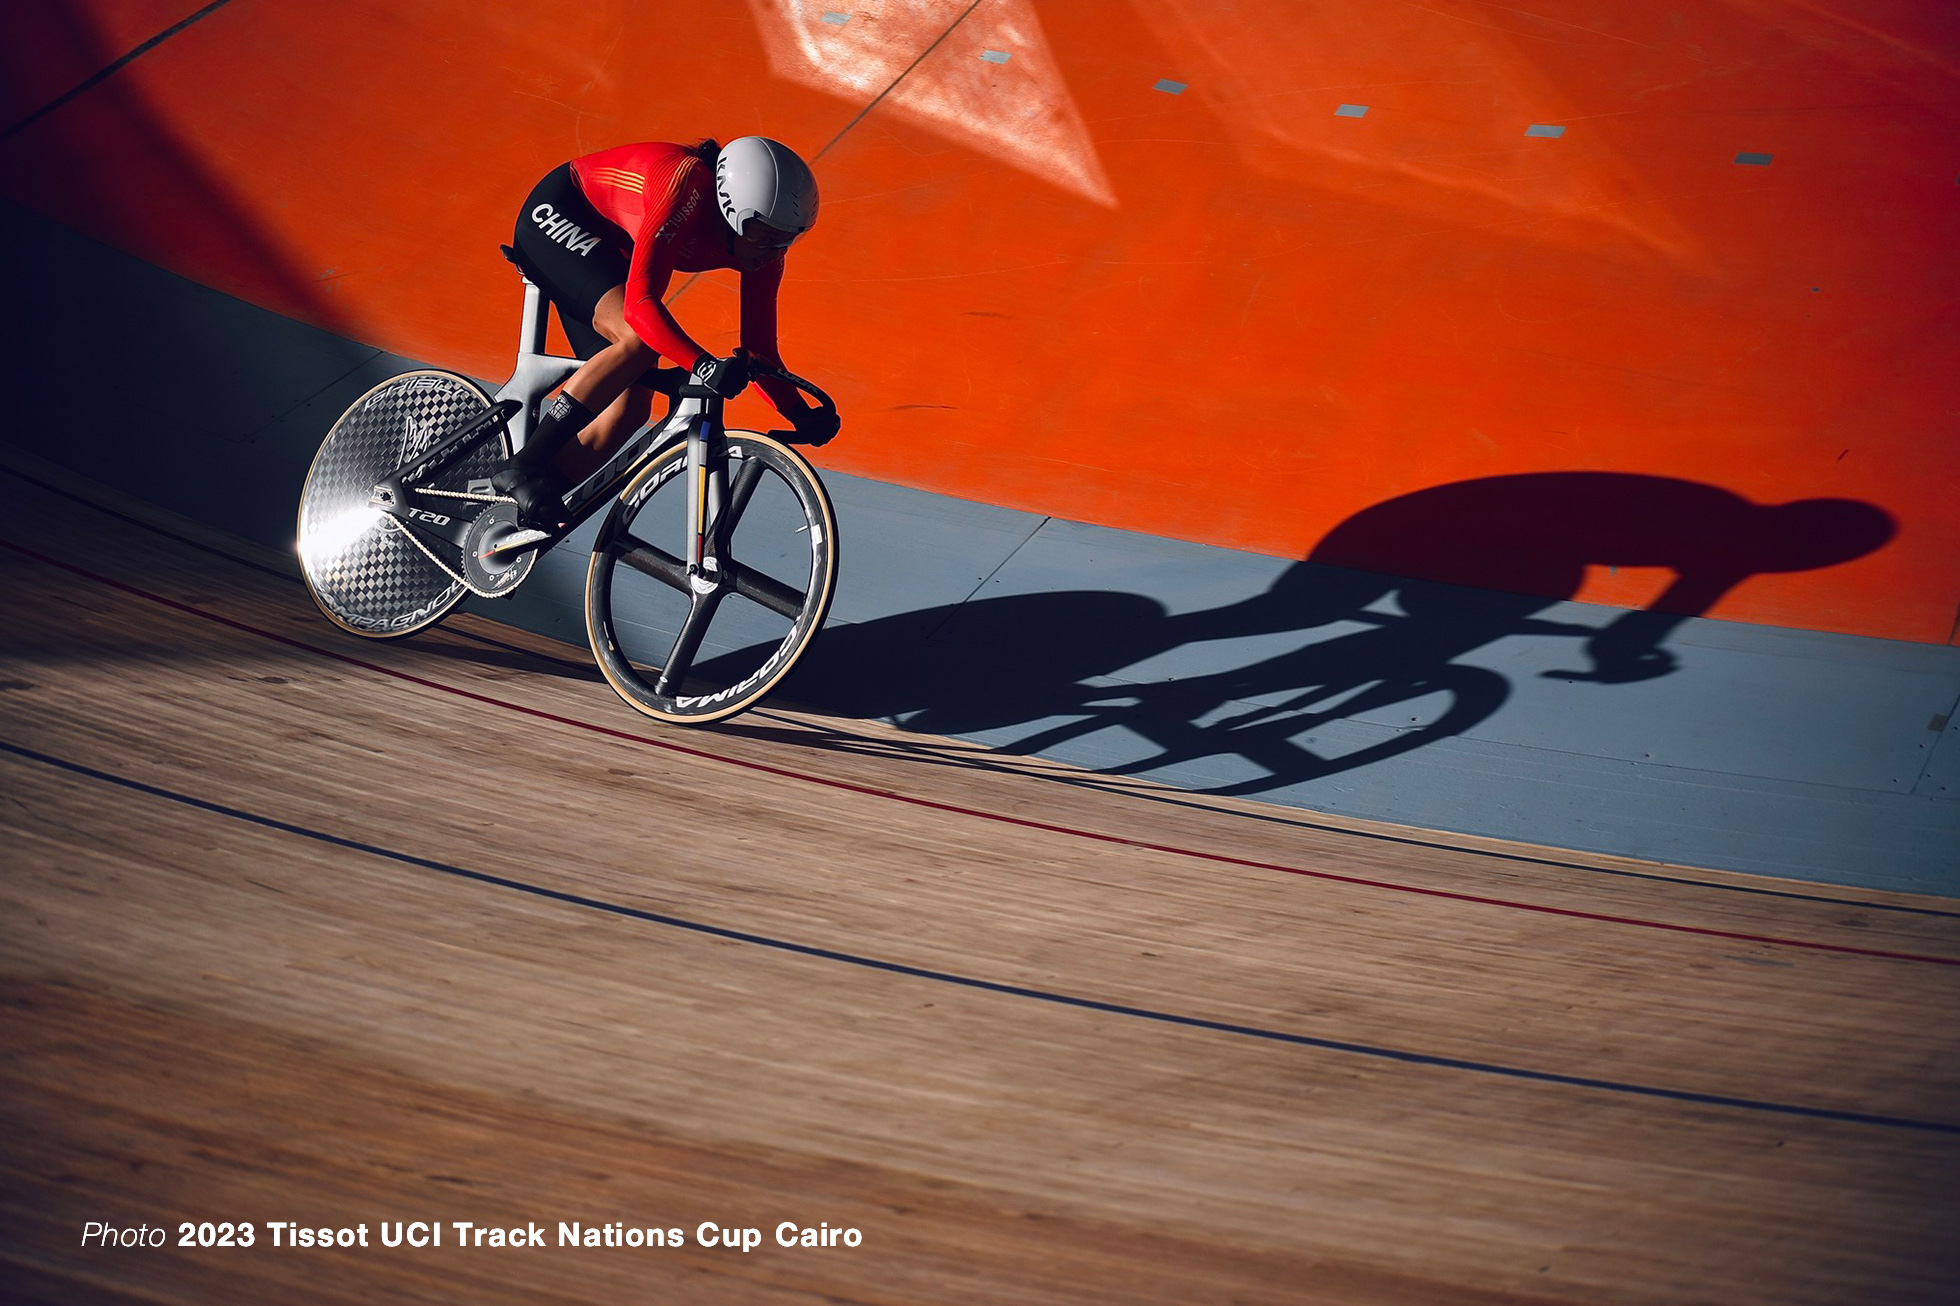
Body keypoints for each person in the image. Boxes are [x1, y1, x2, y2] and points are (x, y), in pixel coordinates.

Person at [493, 136, 838, 528]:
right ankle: (523, 466)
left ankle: (521, 513)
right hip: (561, 215)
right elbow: (641, 307)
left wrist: (797, 412)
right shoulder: (684, 184)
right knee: (637, 342)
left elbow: (758, 349)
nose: (774, 251)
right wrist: (702, 365)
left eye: (787, 239)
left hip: (611, 254)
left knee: (630, 409)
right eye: (764, 237)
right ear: (731, 211)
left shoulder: (765, 252)